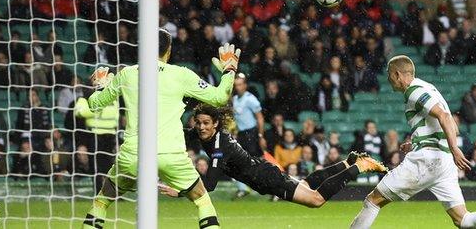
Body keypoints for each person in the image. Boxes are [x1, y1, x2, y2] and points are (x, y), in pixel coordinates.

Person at [82, 30, 240, 229]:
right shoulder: (181, 74)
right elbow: (220, 97)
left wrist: (99, 85)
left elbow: (94, 104)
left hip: (134, 154)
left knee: (102, 200)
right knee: (202, 200)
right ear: (169, 50)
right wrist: (229, 69)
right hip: (170, 154)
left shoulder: (127, 74)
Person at [350, 55, 476, 229]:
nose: (389, 80)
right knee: (463, 219)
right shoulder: (429, 88)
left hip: (426, 159)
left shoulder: (414, 90)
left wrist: (455, 148)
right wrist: (416, 140)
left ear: (397, 74)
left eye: (390, 75)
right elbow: (452, 125)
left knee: (373, 201)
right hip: (443, 162)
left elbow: (443, 117)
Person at [161, 104, 387, 208]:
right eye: (198, 123)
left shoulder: (220, 145)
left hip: (266, 177)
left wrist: (181, 192)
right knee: (306, 184)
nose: (201, 127)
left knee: (315, 200)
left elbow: (209, 184)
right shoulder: (204, 133)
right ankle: (346, 163)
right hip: (262, 174)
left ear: (216, 124)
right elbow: (181, 132)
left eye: (206, 123)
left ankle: (360, 166)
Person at [232, 74, 266, 157]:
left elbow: (260, 118)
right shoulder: (235, 99)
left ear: (245, 85)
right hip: (241, 134)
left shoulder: (251, 99)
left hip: (251, 133)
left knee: (255, 158)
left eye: (240, 85)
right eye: (236, 85)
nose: (237, 87)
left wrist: (261, 136)